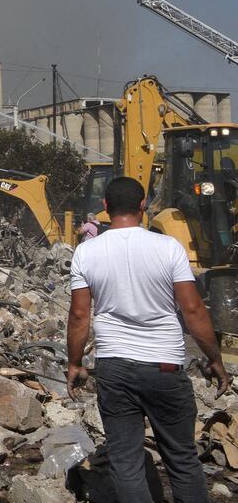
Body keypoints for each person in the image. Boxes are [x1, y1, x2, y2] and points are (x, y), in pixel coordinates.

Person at [67, 176, 230, 503]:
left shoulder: (86, 252)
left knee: (126, 464)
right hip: (165, 366)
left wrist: (74, 363)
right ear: (143, 206)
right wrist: (215, 359)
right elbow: (194, 310)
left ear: (104, 208)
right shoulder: (168, 247)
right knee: (182, 460)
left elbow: (80, 315)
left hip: (114, 367)